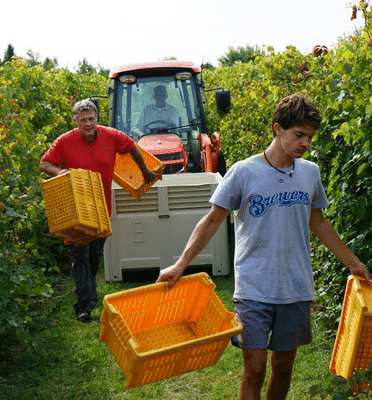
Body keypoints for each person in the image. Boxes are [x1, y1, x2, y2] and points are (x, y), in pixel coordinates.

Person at [156, 94, 372, 400]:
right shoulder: (244, 172)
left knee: (283, 368)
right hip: (253, 287)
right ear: (277, 129)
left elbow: (319, 223)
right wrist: (180, 265)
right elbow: (212, 220)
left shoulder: (310, 172)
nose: (305, 144)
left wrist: (353, 262)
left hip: (296, 286)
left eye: (310, 137)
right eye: (299, 135)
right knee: (254, 370)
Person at [40, 99, 157, 323]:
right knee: (79, 256)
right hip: (75, 210)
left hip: (102, 210)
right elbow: (44, 163)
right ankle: (83, 305)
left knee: (94, 256)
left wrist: (144, 171)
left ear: (97, 119)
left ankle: (87, 292)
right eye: (82, 120)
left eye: (91, 119)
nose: (87, 123)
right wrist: (60, 172)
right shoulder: (65, 141)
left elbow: (131, 146)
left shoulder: (111, 136)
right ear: (75, 121)